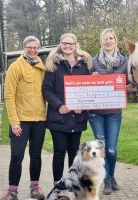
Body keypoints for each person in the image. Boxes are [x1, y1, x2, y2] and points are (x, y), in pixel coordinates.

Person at [42, 33, 91, 183]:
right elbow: (46, 89)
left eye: (71, 43)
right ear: (60, 44)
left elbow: (89, 89)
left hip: (78, 118)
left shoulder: (84, 65)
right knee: (59, 152)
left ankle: (72, 183)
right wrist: (59, 106)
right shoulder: (53, 65)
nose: (67, 46)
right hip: (59, 118)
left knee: (74, 153)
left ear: (76, 45)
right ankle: (57, 183)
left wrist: (82, 106)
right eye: (65, 43)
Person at [88, 28, 132, 195]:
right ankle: (106, 180)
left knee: (112, 149)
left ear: (115, 41)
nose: (108, 41)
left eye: (111, 38)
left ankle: (112, 176)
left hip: (114, 111)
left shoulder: (124, 61)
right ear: (102, 41)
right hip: (95, 112)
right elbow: (83, 84)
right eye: (105, 39)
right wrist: (90, 79)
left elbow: (131, 81)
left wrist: (129, 87)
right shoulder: (92, 62)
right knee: (102, 147)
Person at [2, 36, 46, 200]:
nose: (33, 50)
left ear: (38, 49)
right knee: (16, 156)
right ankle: (12, 190)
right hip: (20, 121)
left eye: (36, 48)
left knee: (36, 155)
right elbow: (9, 96)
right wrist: (14, 122)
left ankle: (35, 187)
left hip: (39, 120)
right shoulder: (15, 67)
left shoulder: (42, 67)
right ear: (24, 48)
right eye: (29, 47)